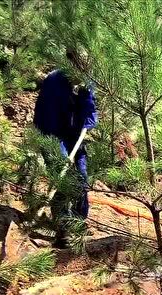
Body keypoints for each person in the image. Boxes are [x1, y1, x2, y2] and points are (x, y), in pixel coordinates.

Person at [33, 69, 98, 243]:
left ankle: (78, 221)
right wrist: (60, 150)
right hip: (52, 134)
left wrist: (87, 123)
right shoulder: (54, 81)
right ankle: (64, 227)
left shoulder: (86, 78)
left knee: (81, 178)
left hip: (76, 135)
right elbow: (46, 119)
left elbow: (90, 106)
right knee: (63, 177)